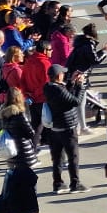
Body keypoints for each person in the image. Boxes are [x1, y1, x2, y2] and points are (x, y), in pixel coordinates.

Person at [43, 64, 85, 194]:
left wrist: (72, 82)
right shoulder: (59, 90)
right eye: (63, 73)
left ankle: (58, 183)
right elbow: (75, 101)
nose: (64, 74)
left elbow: (66, 94)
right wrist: (80, 86)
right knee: (73, 156)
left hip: (55, 128)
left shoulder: (48, 88)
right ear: (59, 76)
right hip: (67, 127)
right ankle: (75, 183)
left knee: (57, 158)